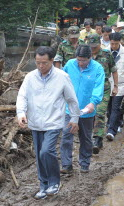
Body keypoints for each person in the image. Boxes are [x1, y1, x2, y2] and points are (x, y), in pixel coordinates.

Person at [16, 46, 80, 199]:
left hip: (53, 122)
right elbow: (22, 96)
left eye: (44, 63)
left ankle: (54, 182)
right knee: (39, 155)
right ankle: (43, 185)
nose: (41, 66)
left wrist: (74, 118)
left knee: (46, 151)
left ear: (52, 60)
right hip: (36, 122)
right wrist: (21, 113)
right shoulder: (30, 77)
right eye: (38, 62)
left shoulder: (62, 77)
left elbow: (71, 99)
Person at [60, 45, 105, 173]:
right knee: (66, 136)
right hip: (70, 109)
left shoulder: (97, 68)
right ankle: (66, 165)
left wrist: (93, 103)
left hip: (87, 110)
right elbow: (62, 81)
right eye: (78, 60)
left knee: (85, 138)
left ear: (90, 58)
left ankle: (84, 164)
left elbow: (98, 86)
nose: (80, 63)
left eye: (83, 60)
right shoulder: (70, 65)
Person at [85, 34, 118, 154]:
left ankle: (97, 139)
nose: (93, 48)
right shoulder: (85, 54)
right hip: (88, 88)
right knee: (89, 113)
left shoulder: (106, 54)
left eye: (95, 46)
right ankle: (89, 137)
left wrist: (115, 86)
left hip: (103, 87)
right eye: (91, 46)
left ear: (100, 43)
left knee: (99, 112)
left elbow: (114, 70)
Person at [106, 32, 124, 140]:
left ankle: (111, 131)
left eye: (116, 44)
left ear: (120, 42)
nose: (114, 46)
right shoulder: (105, 51)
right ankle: (112, 123)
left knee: (115, 107)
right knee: (108, 107)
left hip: (121, 84)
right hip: (107, 83)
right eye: (112, 43)